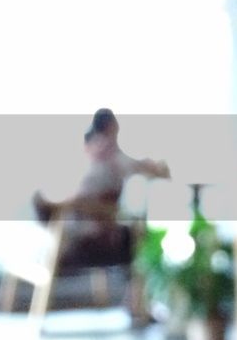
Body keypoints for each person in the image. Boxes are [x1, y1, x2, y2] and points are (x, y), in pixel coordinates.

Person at [33, 108, 170, 268]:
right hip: (84, 232)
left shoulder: (100, 155)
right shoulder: (107, 154)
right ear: (111, 127)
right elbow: (152, 169)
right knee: (137, 237)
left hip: (79, 232)